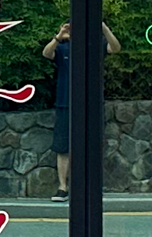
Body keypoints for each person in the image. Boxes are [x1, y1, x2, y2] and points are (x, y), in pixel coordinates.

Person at [42, 18, 120, 201]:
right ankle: (62, 187)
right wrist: (58, 36)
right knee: (63, 146)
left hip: (90, 103)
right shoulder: (62, 47)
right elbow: (46, 53)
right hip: (65, 102)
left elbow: (115, 48)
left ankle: (89, 186)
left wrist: (103, 28)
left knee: (91, 144)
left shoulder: (95, 45)